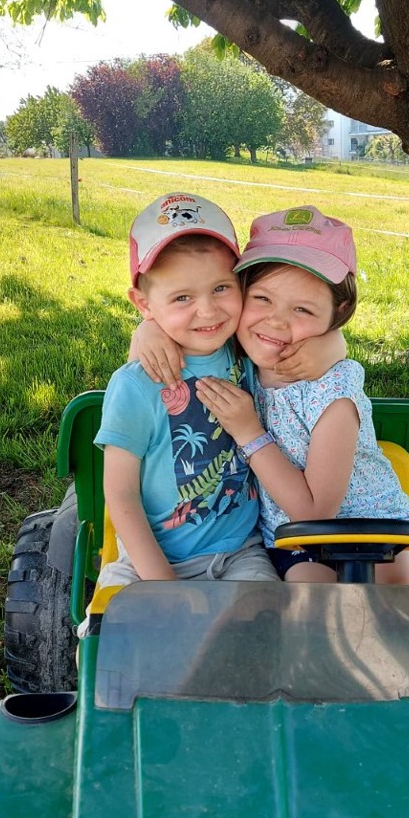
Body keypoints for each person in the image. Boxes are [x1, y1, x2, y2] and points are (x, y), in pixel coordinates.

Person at [195, 205, 409, 586]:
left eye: (302, 309)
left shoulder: (333, 392)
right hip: (296, 542)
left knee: (404, 594)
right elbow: (182, 330)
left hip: (381, 534)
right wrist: (149, 333)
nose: (276, 321)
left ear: (339, 312)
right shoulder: (238, 361)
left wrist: (249, 432)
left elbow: (316, 511)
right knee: (311, 597)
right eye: (262, 298)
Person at [93, 192, 279, 588]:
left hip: (239, 553)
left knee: (269, 623)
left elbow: (323, 340)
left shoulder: (248, 351)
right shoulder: (135, 384)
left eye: (221, 288)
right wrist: (163, 585)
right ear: (143, 303)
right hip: (149, 563)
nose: (208, 311)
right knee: (115, 627)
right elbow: (121, 494)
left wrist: (151, 324)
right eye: (182, 297)